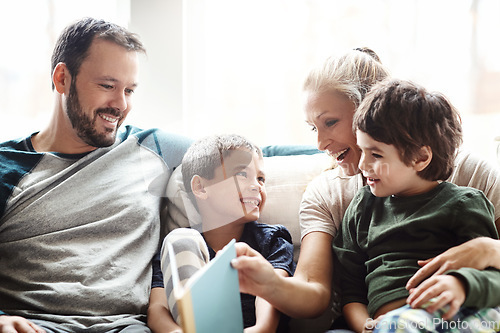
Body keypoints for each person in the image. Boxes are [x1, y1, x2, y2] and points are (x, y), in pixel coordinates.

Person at [230, 48, 500, 326]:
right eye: (313, 128)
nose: (320, 144)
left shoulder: (469, 181)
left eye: (330, 122)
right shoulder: (341, 198)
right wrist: (269, 283)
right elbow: (328, 289)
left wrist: (488, 249)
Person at [0, 18, 192, 333]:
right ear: (62, 78)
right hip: (36, 327)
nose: (121, 104)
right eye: (107, 86)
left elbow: (244, 153)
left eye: (129, 90)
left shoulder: (151, 147)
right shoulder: (8, 166)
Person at [333, 78, 500, 333]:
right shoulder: (362, 208)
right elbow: (351, 289)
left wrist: (461, 285)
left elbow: (494, 277)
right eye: (362, 150)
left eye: (376, 154)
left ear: (421, 157)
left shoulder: (464, 204)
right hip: (383, 326)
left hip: (447, 317)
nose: (363, 165)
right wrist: (365, 326)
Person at [147, 134, 295, 333]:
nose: (256, 186)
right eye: (242, 174)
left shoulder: (272, 240)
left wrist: (260, 329)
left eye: (260, 178)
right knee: (179, 239)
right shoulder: (178, 245)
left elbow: (268, 296)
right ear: (200, 187)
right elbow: (158, 308)